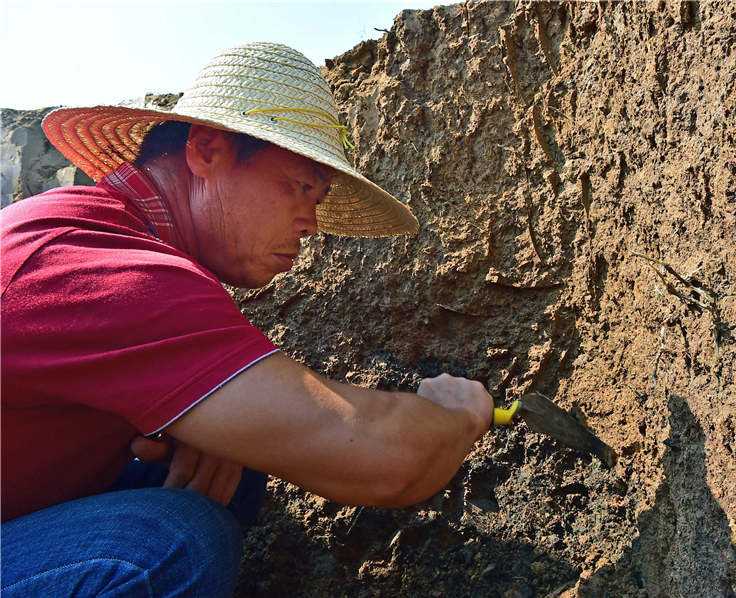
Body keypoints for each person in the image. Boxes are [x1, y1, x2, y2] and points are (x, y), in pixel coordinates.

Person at [1, 42, 493, 597]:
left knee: (236, 465)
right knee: (171, 543)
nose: (311, 224)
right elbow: (384, 455)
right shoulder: (102, 267)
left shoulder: (106, 237)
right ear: (207, 150)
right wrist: (459, 416)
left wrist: (186, 421)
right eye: (302, 186)